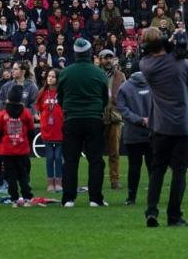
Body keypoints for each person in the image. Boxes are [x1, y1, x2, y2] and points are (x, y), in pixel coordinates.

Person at [139, 26, 188, 227]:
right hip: (182, 124)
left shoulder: (145, 65)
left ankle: (151, 210)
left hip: (159, 125)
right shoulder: (181, 63)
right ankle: (174, 215)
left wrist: (169, 42)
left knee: (157, 170)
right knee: (179, 172)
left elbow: (154, 50)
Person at [57, 37, 110, 207]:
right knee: (95, 160)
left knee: (70, 160)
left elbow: (60, 98)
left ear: (75, 53)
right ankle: (95, 198)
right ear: (89, 53)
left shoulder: (65, 72)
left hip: (72, 119)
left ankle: (68, 198)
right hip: (94, 119)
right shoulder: (99, 73)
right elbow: (104, 99)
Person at [0, 85, 36, 207]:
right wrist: (25, 142)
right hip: (22, 149)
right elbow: (31, 131)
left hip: (7, 150)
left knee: (10, 176)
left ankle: (14, 199)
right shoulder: (26, 113)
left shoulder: (3, 114)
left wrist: (3, 140)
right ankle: (27, 198)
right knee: (23, 174)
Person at [116, 70, 153, 206]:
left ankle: (131, 197)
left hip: (132, 132)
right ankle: (153, 196)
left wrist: (138, 120)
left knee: (134, 166)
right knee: (153, 166)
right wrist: (151, 119)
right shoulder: (153, 83)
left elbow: (121, 107)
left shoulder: (124, 87)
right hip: (152, 131)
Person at [100, 49, 127, 190]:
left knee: (114, 152)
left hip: (115, 117)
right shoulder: (96, 74)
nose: (108, 60)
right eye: (105, 58)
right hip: (98, 117)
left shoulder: (121, 76)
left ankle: (114, 180)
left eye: (110, 58)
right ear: (100, 60)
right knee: (96, 153)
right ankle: (96, 179)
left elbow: (126, 95)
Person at [36, 69, 64, 192]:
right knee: (49, 157)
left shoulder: (62, 93)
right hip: (47, 130)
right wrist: (41, 119)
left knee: (58, 157)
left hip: (60, 130)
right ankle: (50, 182)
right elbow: (38, 109)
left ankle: (58, 181)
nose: (50, 78)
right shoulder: (42, 92)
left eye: (53, 76)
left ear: (58, 78)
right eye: (49, 76)